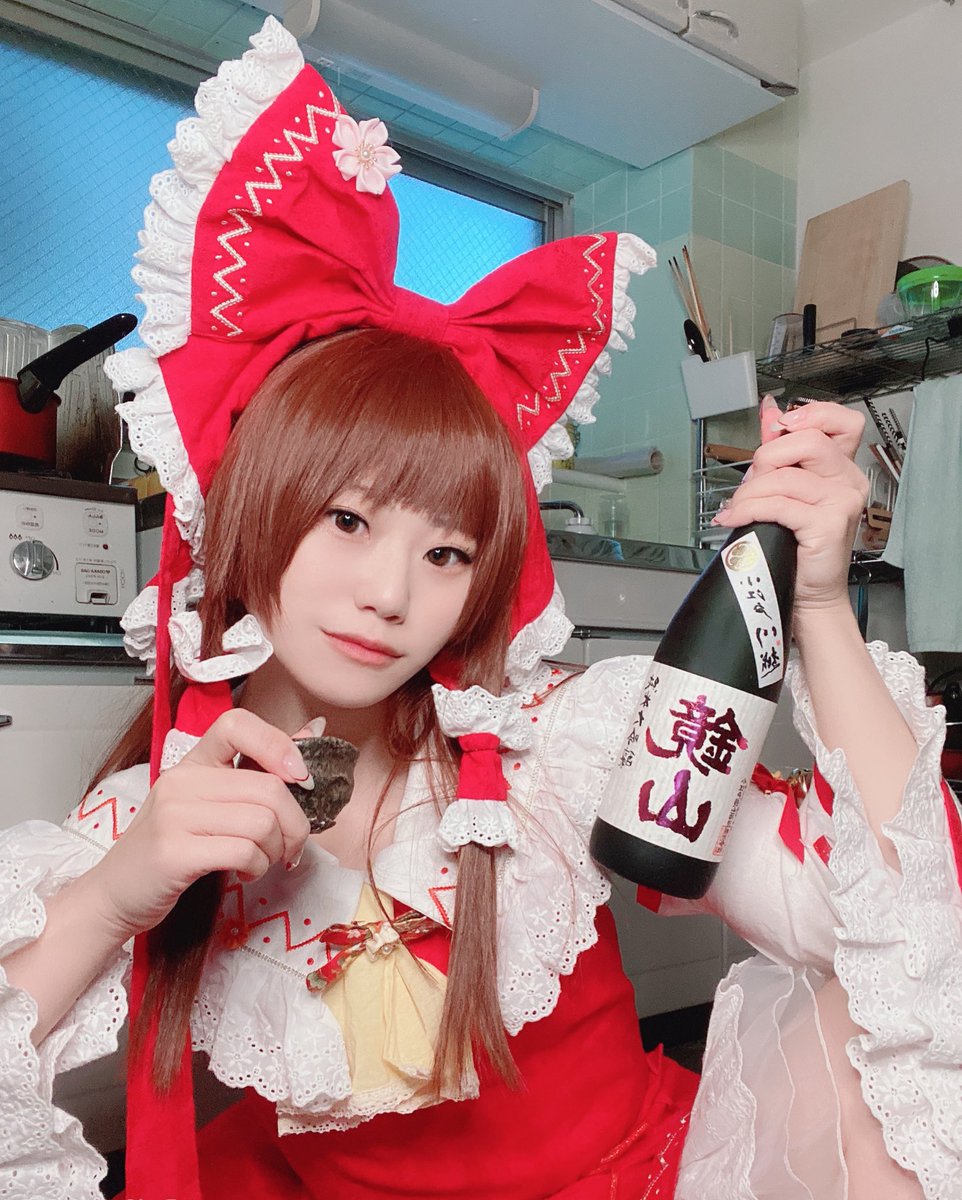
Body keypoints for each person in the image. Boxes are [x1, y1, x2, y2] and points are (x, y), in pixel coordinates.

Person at [1, 16, 960, 1200]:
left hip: (631, 1176)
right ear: (246, 505)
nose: (390, 594)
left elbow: (889, 935)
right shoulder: (158, 807)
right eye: (345, 520)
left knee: (884, 1080)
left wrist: (817, 608)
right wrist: (111, 894)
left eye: (446, 550)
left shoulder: (558, 741)